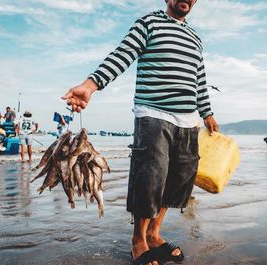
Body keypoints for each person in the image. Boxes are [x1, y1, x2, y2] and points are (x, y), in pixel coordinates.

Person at [62, 1, 218, 264]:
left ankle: (155, 234)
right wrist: (91, 85)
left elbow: (199, 78)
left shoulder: (194, 37)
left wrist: (207, 113)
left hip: (189, 122)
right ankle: (139, 240)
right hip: (154, 115)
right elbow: (122, 54)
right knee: (150, 180)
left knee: (176, 182)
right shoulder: (149, 23)